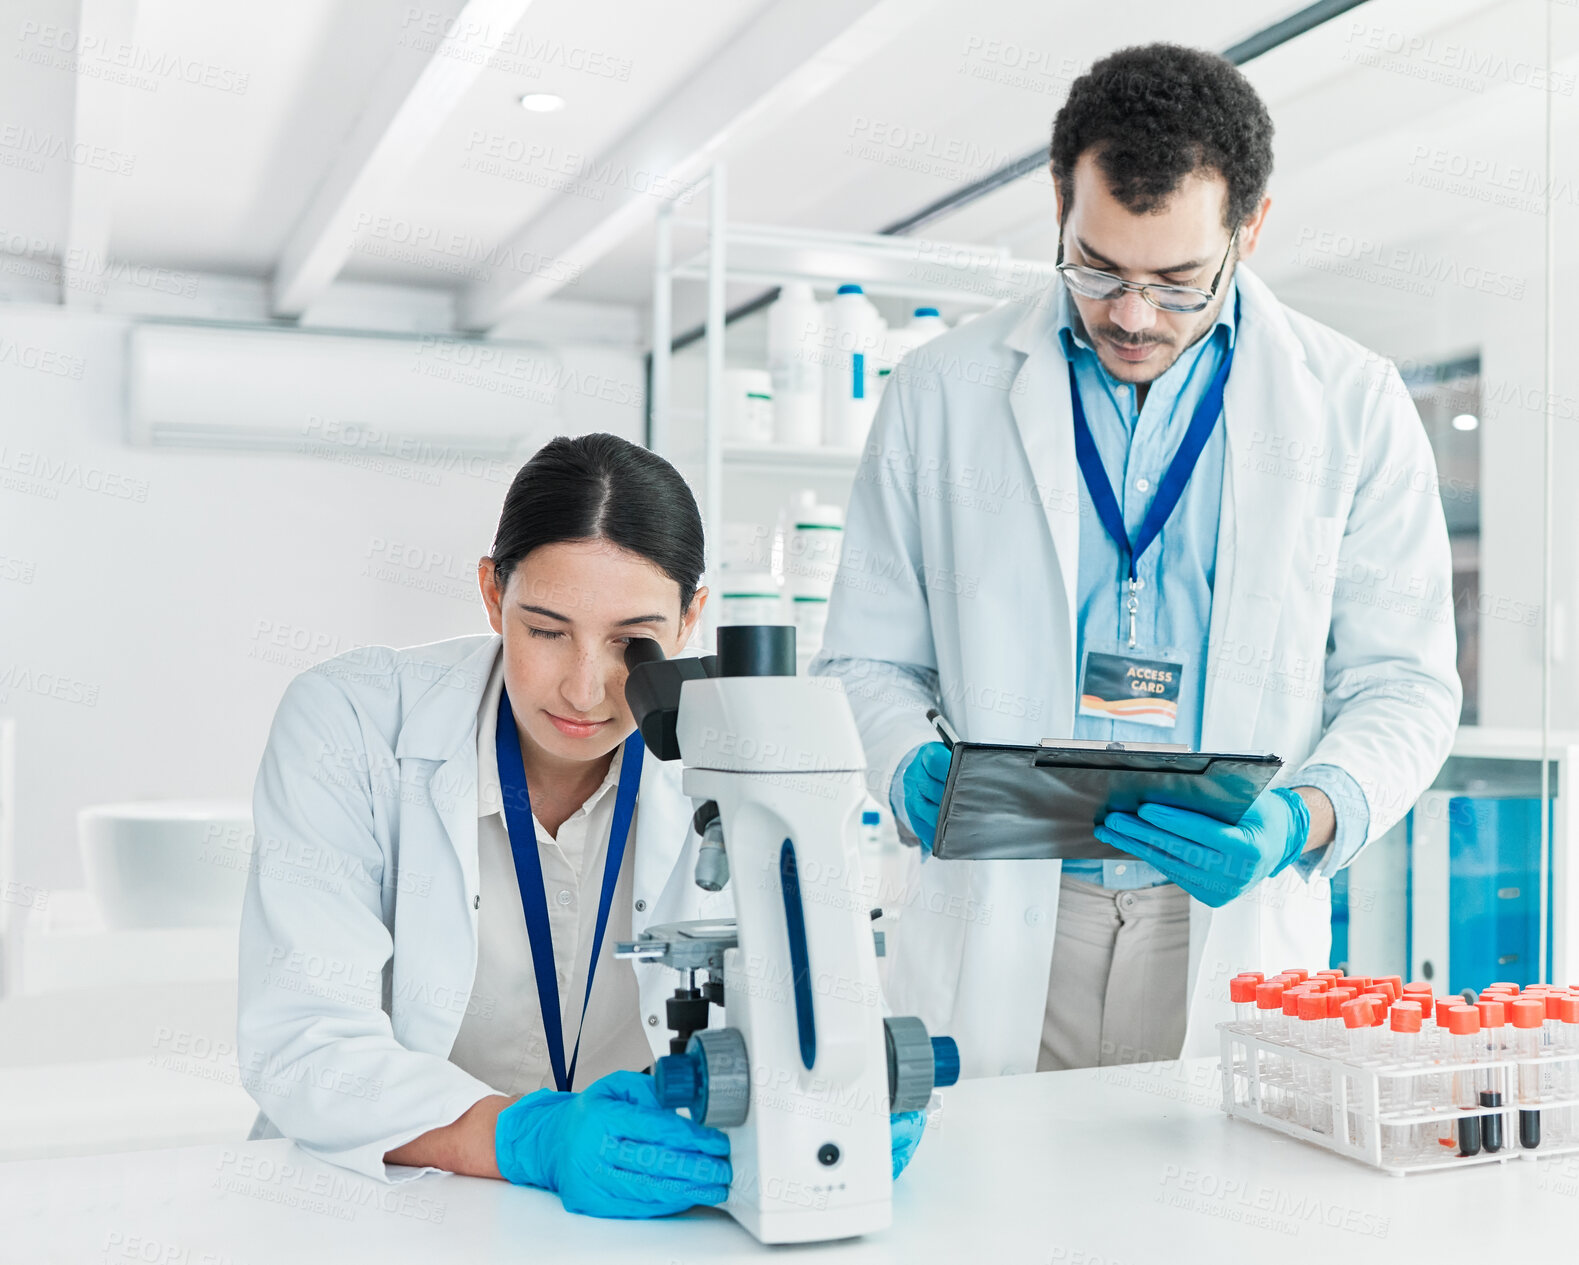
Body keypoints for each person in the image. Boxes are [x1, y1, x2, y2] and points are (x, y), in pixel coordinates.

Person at [812, 45, 1460, 1078]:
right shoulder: (941, 392)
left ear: (1250, 230)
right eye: (1097, 268)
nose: (1130, 314)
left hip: (1223, 918)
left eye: (1177, 281)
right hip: (1009, 909)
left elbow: (1406, 684)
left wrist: (1304, 815)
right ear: (1056, 205)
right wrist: (904, 765)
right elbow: (862, 660)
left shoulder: (1349, 404)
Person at [238, 433, 925, 1218]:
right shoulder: (351, 722)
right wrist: (532, 1136)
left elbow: (826, 983)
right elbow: (304, 1040)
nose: (585, 687)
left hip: (644, 1207)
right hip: (390, 1196)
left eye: (632, 642)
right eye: (545, 629)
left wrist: (853, 1089)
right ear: (493, 593)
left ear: (691, 617)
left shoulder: (752, 748)